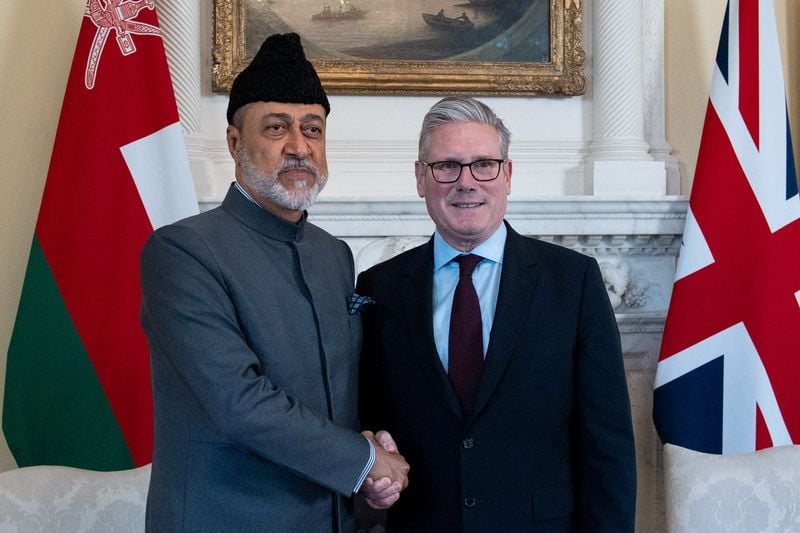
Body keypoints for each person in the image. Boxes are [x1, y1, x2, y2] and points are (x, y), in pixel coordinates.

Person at [140, 32, 408, 532]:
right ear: (235, 142)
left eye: (313, 129)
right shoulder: (182, 251)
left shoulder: (332, 254)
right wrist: (364, 460)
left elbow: (339, 393)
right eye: (277, 127)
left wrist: (374, 449)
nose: (299, 147)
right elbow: (236, 401)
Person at [357, 96, 636, 531]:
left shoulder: (572, 281)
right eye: (447, 166)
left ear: (507, 174)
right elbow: (366, 418)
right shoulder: (379, 288)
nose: (466, 182)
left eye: (484, 164)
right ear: (420, 178)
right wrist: (372, 460)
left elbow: (608, 441)